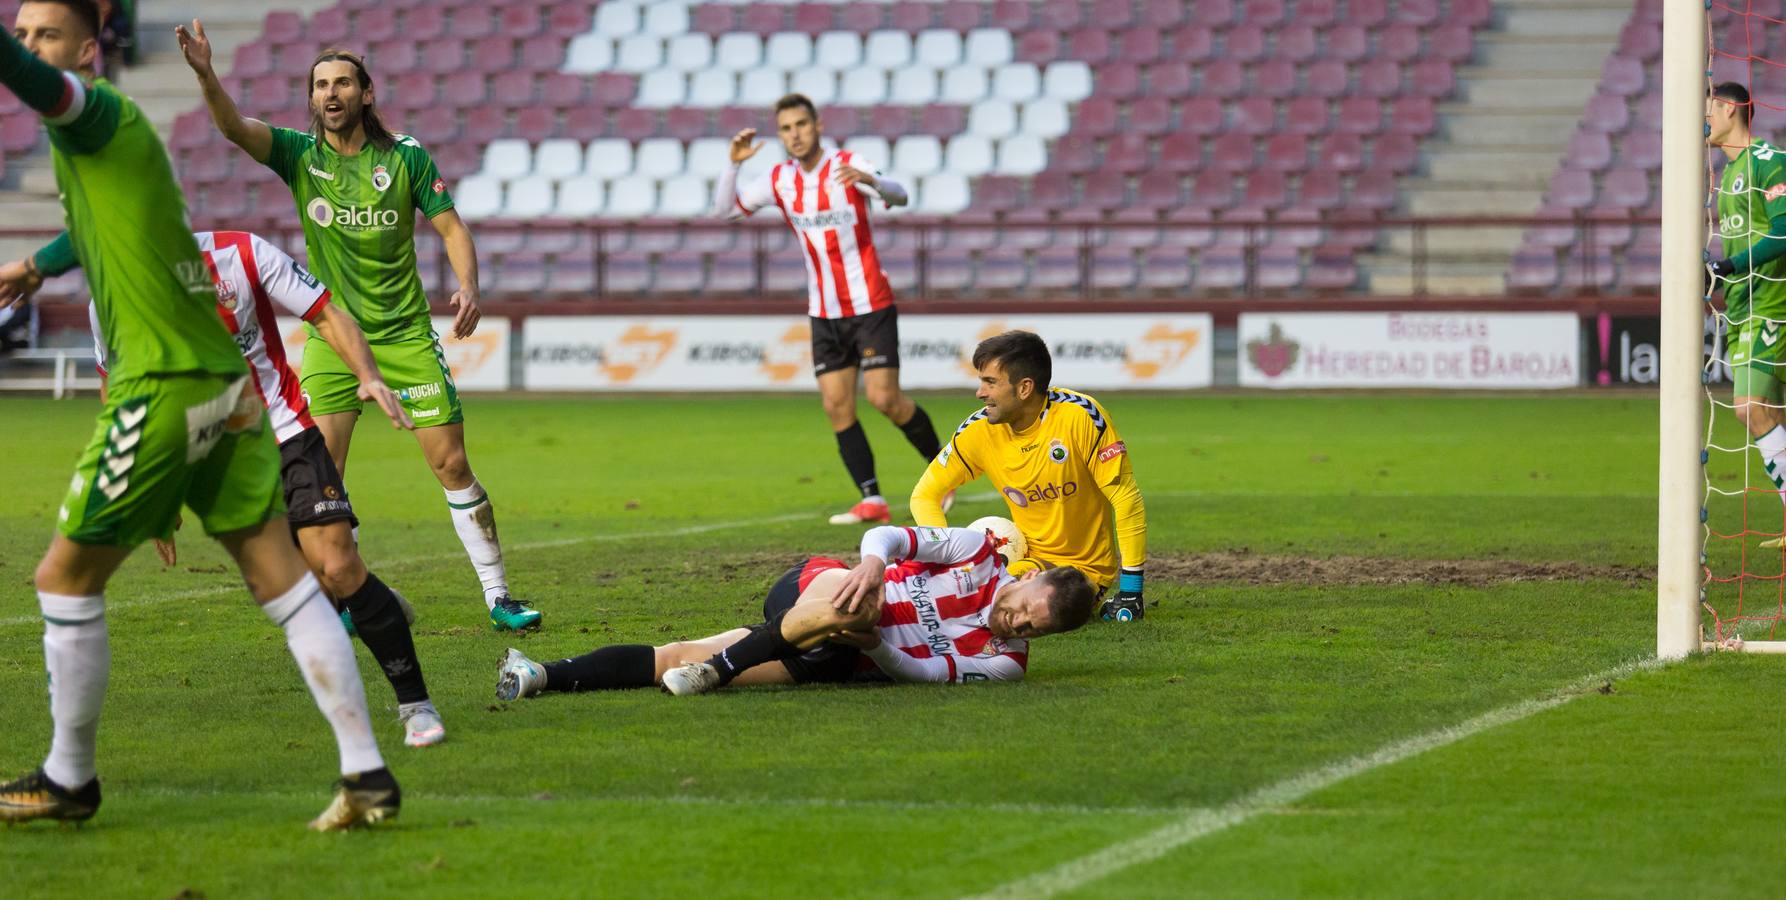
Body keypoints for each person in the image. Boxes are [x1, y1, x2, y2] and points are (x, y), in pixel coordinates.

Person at [0, 0, 396, 828]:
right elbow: (98, 232)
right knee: (280, 578)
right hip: (224, 386)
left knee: (62, 580)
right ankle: (367, 775)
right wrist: (38, 267)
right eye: (23, 29)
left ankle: (69, 778)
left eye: (45, 33)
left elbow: (33, 82)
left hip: (165, 382)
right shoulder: (107, 148)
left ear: (88, 48)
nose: (31, 45)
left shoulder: (97, 111)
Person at [4, 228, 449, 748]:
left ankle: (416, 705)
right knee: (304, 593)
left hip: (283, 431)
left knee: (337, 565)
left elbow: (326, 311)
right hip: (207, 452)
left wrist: (368, 376)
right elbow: (117, 391)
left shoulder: (242, 254)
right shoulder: (113, 298)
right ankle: (375, 604)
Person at [174, 22, 539, 630]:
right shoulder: (299, 155)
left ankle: (499, 595)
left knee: (450, 464)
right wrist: (207, 74)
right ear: (312, 98)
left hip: (403, 335)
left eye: (343, 81)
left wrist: (469, 285)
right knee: (323, 477)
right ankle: (344, 597)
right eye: (320, 85)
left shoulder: (406, 157)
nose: (331, 93)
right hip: (331, 339)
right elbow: (234, 128)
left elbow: (452, 227)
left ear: (366, 93)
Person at [495, 525, 1097, 699]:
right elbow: (889, 536)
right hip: (818, 588)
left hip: (840, 656)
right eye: (1022, 609)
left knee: (675, 657)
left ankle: (542, 674)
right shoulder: (978, 550)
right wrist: (869, 564)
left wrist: (875, 650)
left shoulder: (1005, 664)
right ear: (1030, 577)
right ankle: (724, 668)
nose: (1014, 623)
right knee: (863, 599)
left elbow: (920, 674)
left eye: (1030, 629)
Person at [712, 93, 950, 525]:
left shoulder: (847, 164)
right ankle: (872, 499)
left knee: (884, 399)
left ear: (818, 125)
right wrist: (733, 165)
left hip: (870, 304)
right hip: (823, 312)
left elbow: (900, 196)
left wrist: (872, 181)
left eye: (801, 124)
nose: (795, 135)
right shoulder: (779, 179)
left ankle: (944, 473)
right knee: (837, 407)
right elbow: (726, 210)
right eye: (786, 128)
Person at [908, 331, 1150, 622]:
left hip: (1082, 572)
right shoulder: (978, 430)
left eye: (990, 382)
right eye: (981, 381)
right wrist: (946, 558)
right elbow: (925, 495)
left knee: (998, 611)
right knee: (946, 594)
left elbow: (1125, 498)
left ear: (1024, 388)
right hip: (1023, 561)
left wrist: (1131, 591)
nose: (980, 393)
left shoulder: (1081, 417)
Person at [1706, 81, 1786, 548]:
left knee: (1749, 408)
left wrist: (1731, 264)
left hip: (1770, 304)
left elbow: (1783, 232)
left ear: (1731, 108)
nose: (1705, 119)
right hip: (1742, 307)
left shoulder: (1766, 160)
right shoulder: (1729, 175)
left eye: (1709, 109)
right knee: (1769, 410)